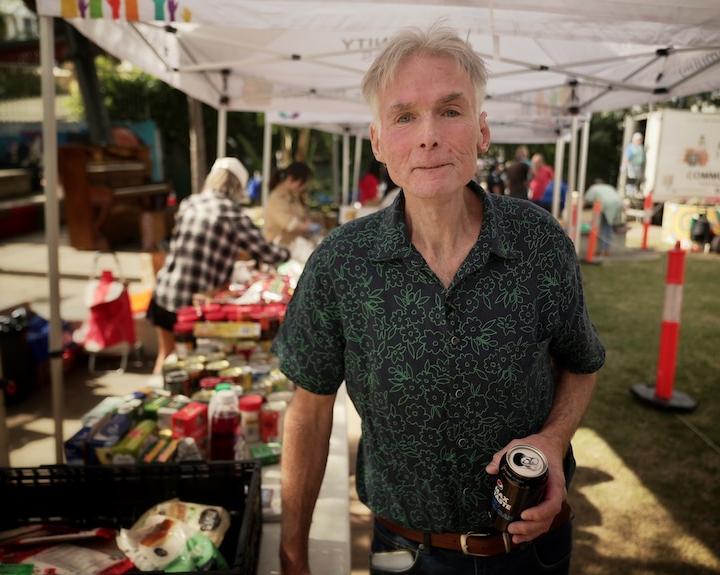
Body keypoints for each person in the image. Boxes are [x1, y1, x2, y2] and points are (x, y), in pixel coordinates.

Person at [273, 23, 605, 575]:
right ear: (379, 142)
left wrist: (552, 438)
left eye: (450, 111)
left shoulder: (538, 242)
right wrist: (292, 554)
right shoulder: (341, 262)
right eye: (404, 116)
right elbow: (308, 410)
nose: (428, 135)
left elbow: (581, 362)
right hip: (402, 552)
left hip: (530, 551)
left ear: (481, 131)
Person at [147, 157, 289, 374]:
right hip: (193, 304)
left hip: (164, 292)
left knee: (167, 359)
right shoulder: (231, 213)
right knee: (195, 368)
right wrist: (288, 253)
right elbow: (267, 253)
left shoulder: (190, 202)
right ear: (236, 187)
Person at [262, 161, 316, 249]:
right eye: (303, 182)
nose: (304, 186)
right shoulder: (277, 198)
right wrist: (308, 227)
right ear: (291, 178)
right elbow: (289, 224)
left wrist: (307, 222)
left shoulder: (293, 196)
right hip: (279, 248)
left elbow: (302, 214)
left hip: (293, 246)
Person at [583, 181, 624, 256]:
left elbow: (585, 201)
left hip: (606, 205)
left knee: (605, 227)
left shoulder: (593, 189)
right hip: (617, 204)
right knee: (609, 226)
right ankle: (606, 250)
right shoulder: (608, 186)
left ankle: (603, 250)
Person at [622, 132, 645, 196]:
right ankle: (630, 192)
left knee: (637, 179)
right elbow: (626, 157)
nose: (639, 141)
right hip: (632, 166)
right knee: (631, 178)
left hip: (639, 167)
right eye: (638, 139)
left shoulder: (640, 147)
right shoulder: (631, 147)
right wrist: (624, 165)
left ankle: (634, 191)